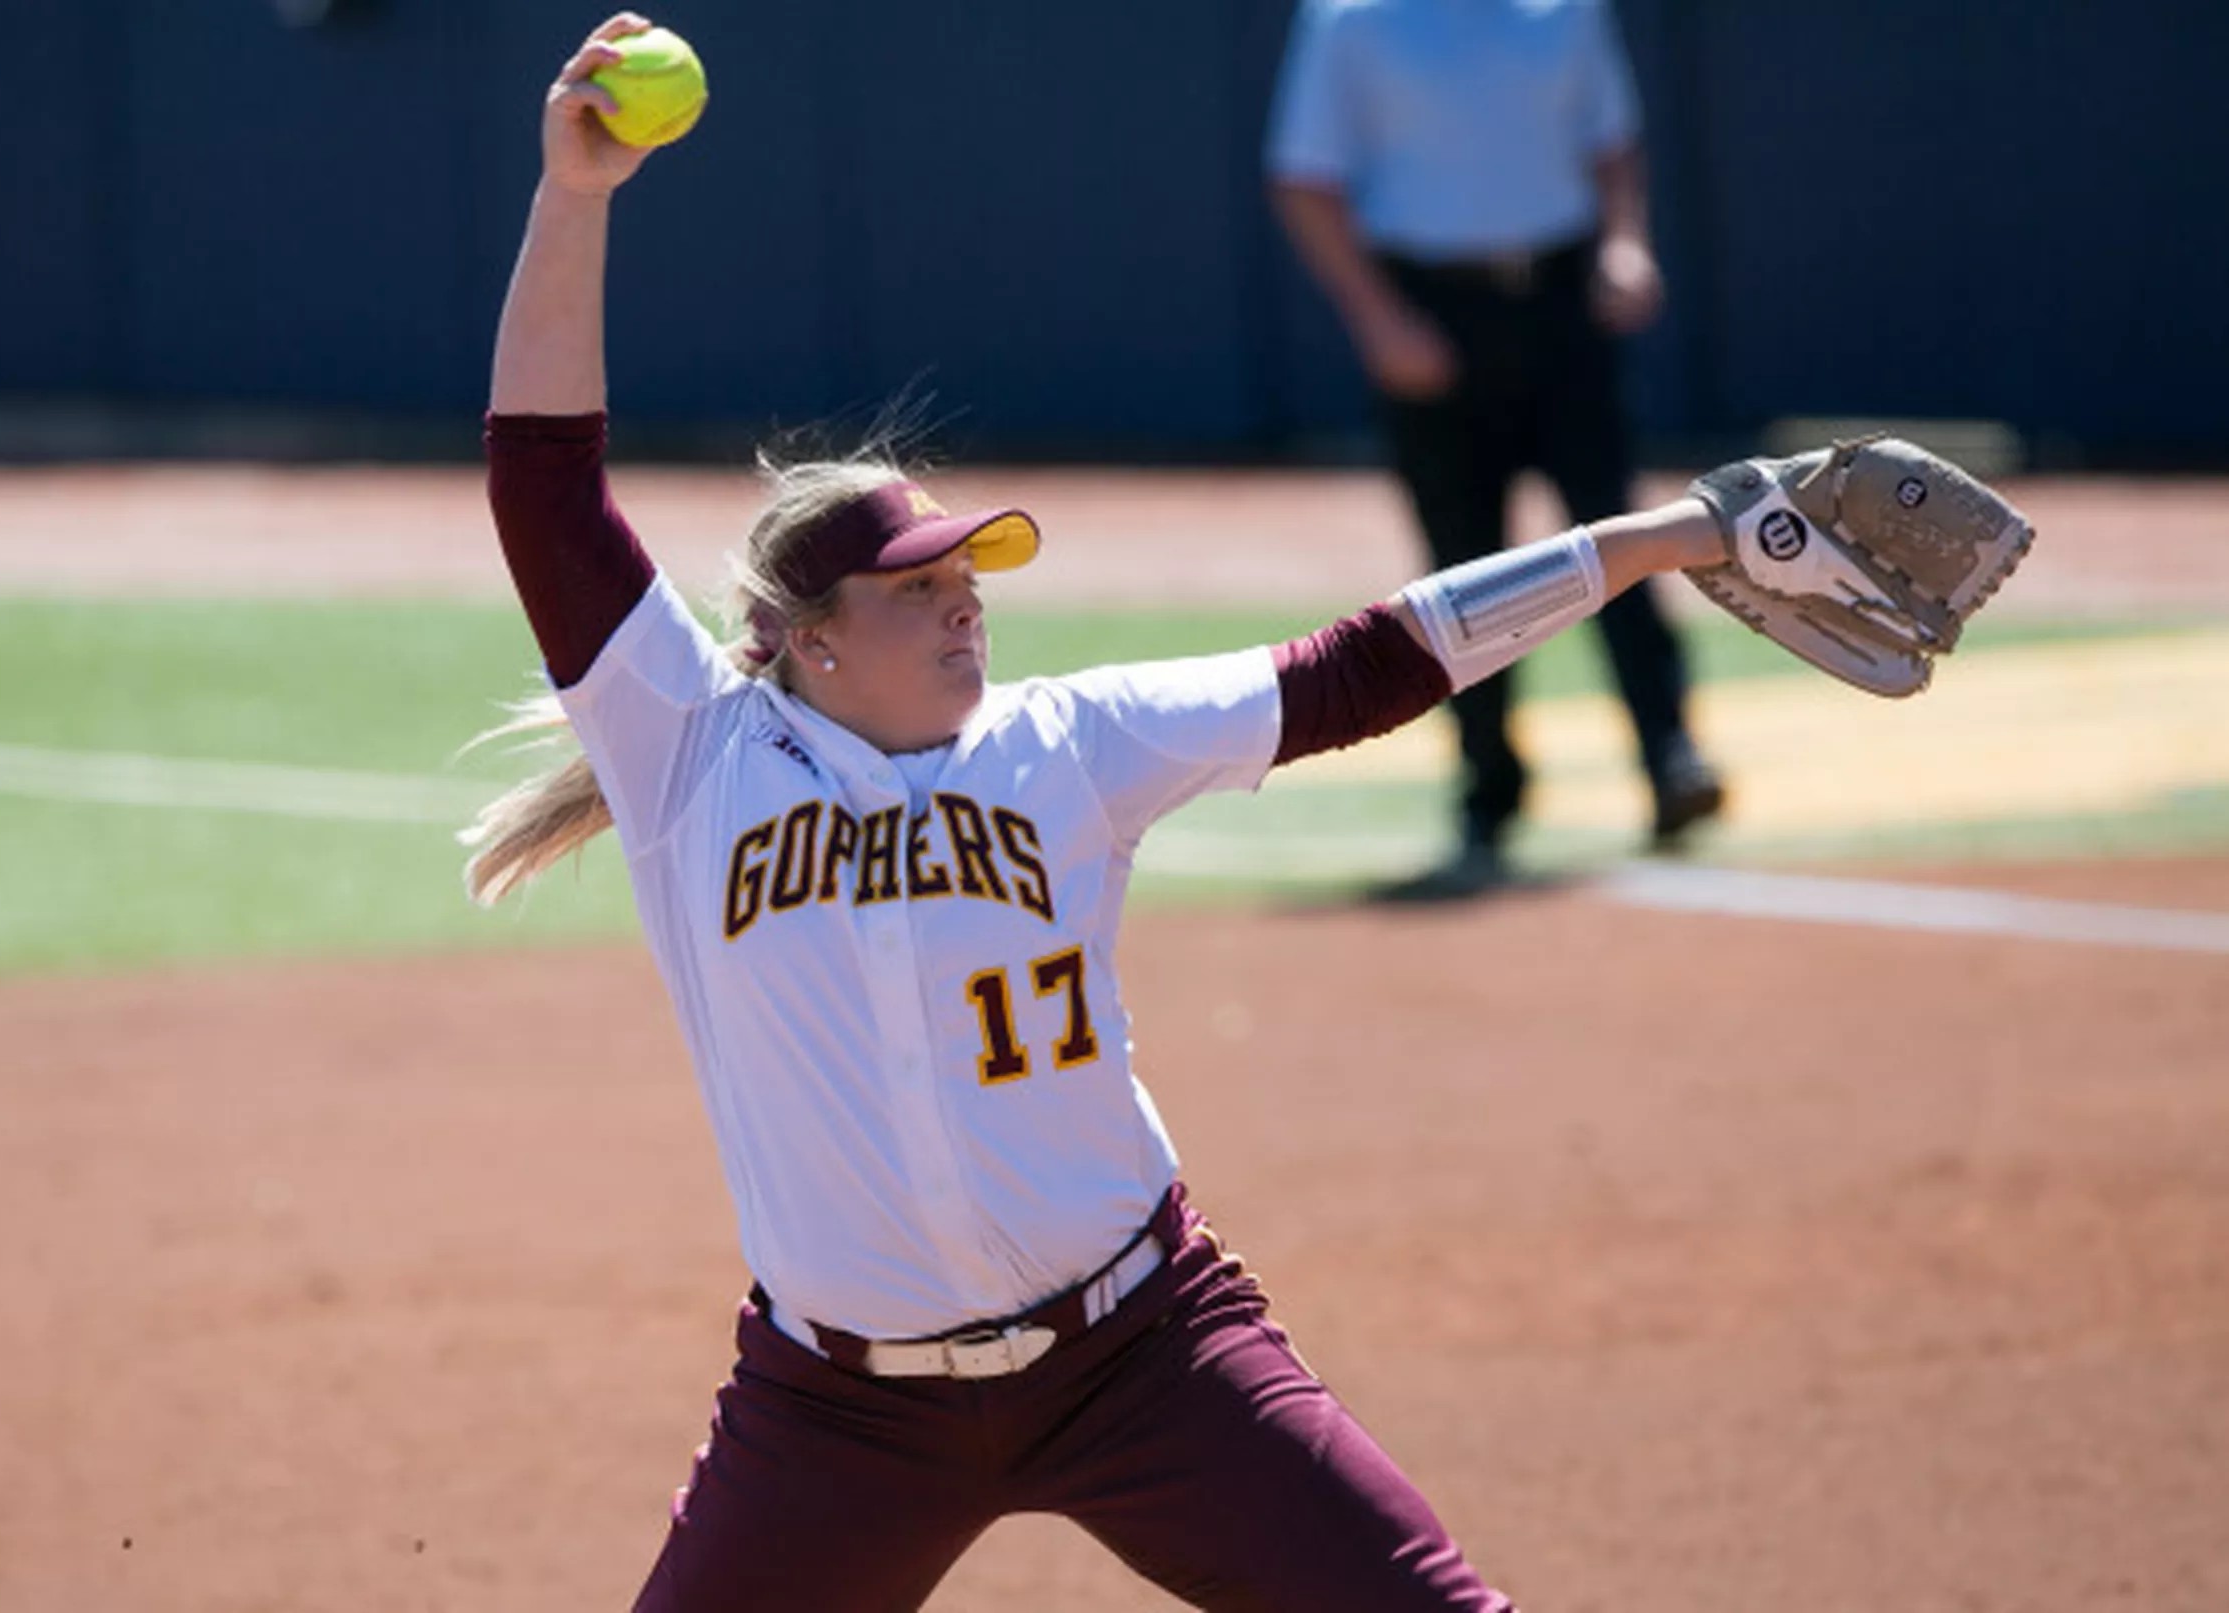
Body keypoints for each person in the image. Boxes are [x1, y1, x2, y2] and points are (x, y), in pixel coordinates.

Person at [467, 15, 1739, 1609]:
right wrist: (574, 199)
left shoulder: (1071, 742)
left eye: (969, 580)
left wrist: (1656, 537)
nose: (963, 610)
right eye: (917, 589)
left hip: (1145, 1354)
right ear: (805, 638)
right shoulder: (686, 752)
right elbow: (544, 486)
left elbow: (1367, 664)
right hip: (838, 1413)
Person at [1267, 0, 1725, 896]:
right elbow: (1304, 176)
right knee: (1462, 567)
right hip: (1432, 307)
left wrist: (1627, 241)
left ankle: (1670, 756)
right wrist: (1379, 319)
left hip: (1561, 297)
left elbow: (1613, 136)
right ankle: (1489, 791)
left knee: (1624, 535)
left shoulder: (1561, 8)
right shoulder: (1349, 22)